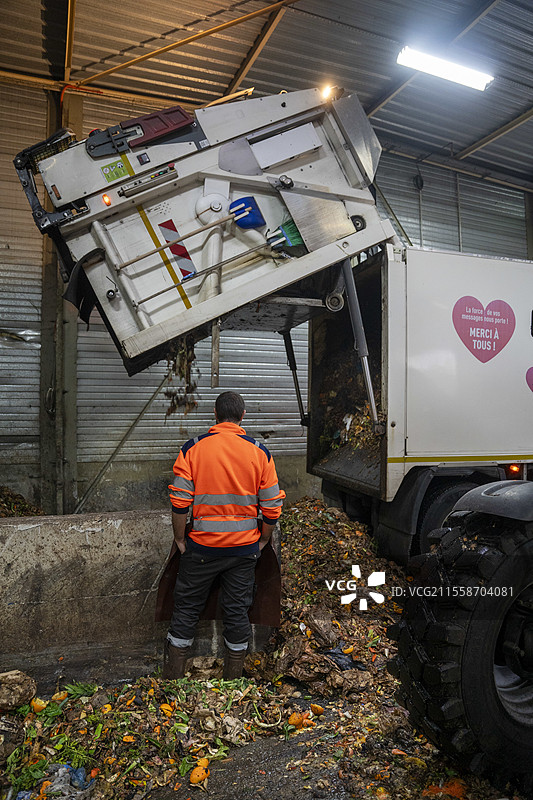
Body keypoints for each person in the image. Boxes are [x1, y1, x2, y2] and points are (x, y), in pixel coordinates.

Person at [163, 391, 285, 680]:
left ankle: (172, 682)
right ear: (242, 417)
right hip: (244, 551)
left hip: (201, 549)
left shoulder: (192, 449)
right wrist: (264, 539)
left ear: (215, 417)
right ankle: (232, 681)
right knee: (237, 613)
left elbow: (180, 503)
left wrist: (180, 539)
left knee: (186, 610)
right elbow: (272, 507)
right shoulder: (260, 453)